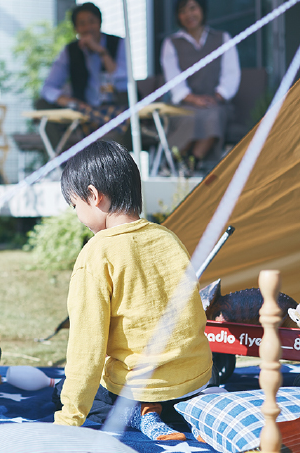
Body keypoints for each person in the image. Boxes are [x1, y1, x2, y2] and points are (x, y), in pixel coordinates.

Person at [53, 140, 212, 440]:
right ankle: (184, 411)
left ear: (93, 195)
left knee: (68, 393)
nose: (76, 215)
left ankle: (142, 414)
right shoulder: (168, 237)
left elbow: (86, 347)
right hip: (195, 380)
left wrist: (68, 420)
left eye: (75, 205)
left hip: (139, 388)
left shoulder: (96, 254)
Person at [161, 0, 240, 172]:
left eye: (193, 8)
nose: (189, 15)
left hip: (216, 102)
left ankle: (191, 162)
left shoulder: (222, 38)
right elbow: (173, 78)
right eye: (182, 11)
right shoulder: (171, 43)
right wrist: (193, 99)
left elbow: (231, 73)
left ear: (202, 9)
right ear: (177, 16)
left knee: (214, 115)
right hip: (184, 104)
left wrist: (218, 96)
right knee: (192, 117)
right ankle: (174, 162)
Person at [37, 2, 132, 148]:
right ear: (76, 29)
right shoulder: (70, 51)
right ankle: (63, 165)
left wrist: (102, 52)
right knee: (42, 104)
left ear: (100, 23)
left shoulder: (118, 44)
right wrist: (65, 99)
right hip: (84, 111)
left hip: (115, 107)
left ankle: (118, 165)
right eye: (82, 24)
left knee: (127, 114)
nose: (88, 28)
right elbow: (48, 88)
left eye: (92, 22)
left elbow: (123, 82)